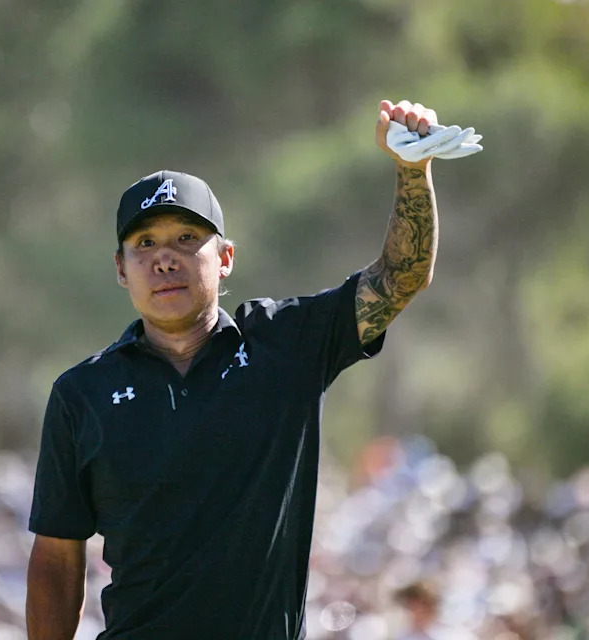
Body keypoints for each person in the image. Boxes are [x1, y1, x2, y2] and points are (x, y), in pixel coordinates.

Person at [26, 99, 455, 640]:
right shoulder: (81, 393)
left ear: (225, 257)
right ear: (120, 268)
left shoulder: (287, 344)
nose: (165, 259)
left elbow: (400, 278)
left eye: (187, 238)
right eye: (145, 243)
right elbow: (57, 557)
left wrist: (412, 171)